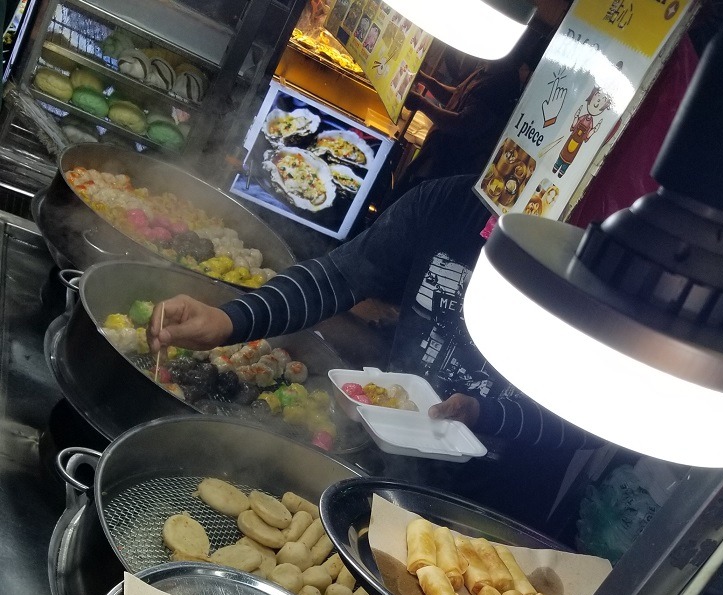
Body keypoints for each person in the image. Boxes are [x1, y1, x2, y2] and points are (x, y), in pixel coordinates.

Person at [148, 173, 597, 527]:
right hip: (384, 459)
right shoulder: (451, 203)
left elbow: (584, 429)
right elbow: (338, 277)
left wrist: (486, 414)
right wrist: (229, 320)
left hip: (487, 508)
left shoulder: (596, 273)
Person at [387, 1, 570, 203]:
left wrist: (422, 104)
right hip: (430, 157)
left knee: (404, 208)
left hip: (443, 171)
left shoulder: (501, 85)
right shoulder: (488, 68)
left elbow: (463, 124)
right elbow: (458, 97)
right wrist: (427, 81)